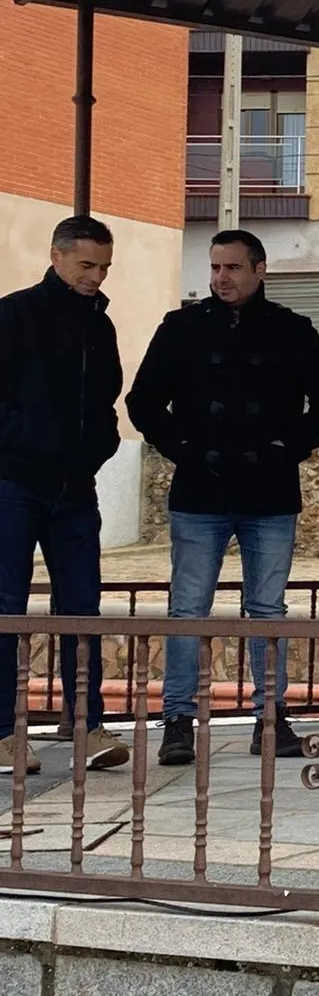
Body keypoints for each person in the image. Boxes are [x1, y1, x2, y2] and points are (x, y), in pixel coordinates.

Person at [128, 230, 319, 765]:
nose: (221, 278)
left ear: (259, 269)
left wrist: (286, 447)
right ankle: (179, 720)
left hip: (268, 490)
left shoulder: (291, 330)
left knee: (267, 608)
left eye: (232, 267)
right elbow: (143, 401)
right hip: (200, 487)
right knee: (187, 610)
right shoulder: (181, 327)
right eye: (215, 267)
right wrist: (181, 447)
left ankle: (270, 717)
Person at [0, 217, 129, 775]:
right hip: (13, 484)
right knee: (6, 608)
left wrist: (95, 450)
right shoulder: (13, 314)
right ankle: (4, 732)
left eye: (103, 267)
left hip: (77, 490)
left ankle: (87, 727)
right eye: (86, 265)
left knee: (83, 609)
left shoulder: (101, 326)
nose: (96, 276)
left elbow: (107, 397)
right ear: (56, 256)